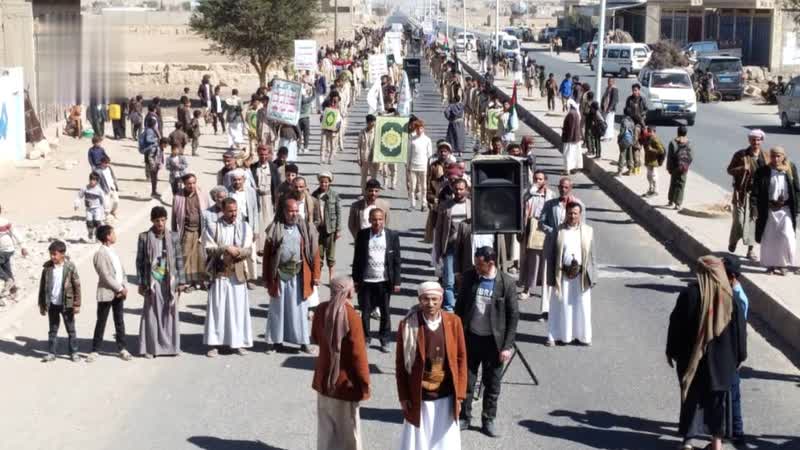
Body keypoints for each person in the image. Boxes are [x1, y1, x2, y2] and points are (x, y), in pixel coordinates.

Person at [666, 255, 747, 450]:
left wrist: (672, 351)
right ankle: (717, 444)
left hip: (692, 360)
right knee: (717, 403)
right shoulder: (730, 297)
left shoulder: (689, 294)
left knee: (691, 400)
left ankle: (688, 442)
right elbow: (740, 332)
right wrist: (739, 357)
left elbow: (676, 326)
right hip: (722, 364)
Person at [396, 281, 467, 450]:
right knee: (419, 441)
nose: (430, 303)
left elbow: (461, 359)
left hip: (446, 395)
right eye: (426, 299)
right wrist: (404, 397)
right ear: (419, 300)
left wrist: (460, 395)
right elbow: (400, 365)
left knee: (444, 442)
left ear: (441, 300)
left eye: (435, 299)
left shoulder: (454, 322)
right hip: (420, 396)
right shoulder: (408, 325)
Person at [456, 246, 518, 437]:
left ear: (491, 263)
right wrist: (456, 335)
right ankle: (464, 417)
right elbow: (460, 307)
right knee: (467, 382)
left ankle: (488, 420)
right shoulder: (470, 277)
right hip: (471, 338)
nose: (476, 267)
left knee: (492, 384)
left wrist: (507, 346)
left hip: (494, 343)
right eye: (475, 263)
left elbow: (513, 316)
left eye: (479, 264)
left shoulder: (506, 283)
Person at [311, 276, 370, 450]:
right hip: (345, 383)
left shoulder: (321, 309)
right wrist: (365, 383)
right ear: (349, 292)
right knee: (348, 432)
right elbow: (358, 355)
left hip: (324, 379)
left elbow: (315, 337)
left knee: (326, 430)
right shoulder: (351, 316)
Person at [262, 197, 321, 354]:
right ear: (284, 212)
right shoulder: (275, 229)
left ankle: (303, 342)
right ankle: (276, 342)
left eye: (296, 210)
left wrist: (316, 275)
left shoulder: (306, 228)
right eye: (290, 211)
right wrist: (266, 278)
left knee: (300, 311)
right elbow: (267, 256)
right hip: (279, 275)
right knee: (278, 310)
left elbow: (315, 253)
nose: (294, 214)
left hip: (299, 275)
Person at [203, 198, 255, 357]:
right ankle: (214, 344)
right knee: (218, 309)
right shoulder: (213, 227)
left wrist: (237, 252)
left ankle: (238, 343)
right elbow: (208, 248)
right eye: (230, 211)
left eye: (235, 210)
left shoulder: (244, 227)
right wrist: (225, 248)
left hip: (237, 274)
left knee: (237, 310)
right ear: (223, 210)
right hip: (220, 274)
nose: (233, 214)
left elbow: (248, 249)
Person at [136, 206, 186, 359]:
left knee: (169, 311)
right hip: (153, 279)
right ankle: (151, 348)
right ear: (152, 221)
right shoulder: (144, 237)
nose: (160, 223)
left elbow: (179, 259)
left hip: (169, 279)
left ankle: (171, 347)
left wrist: (181, 281)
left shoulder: (174, 236)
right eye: (157, 220)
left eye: (163, 220)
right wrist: (141, 282)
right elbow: (140, 261)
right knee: (151, 312)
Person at [546, 202, 596, 346]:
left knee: (582, 306)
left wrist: (593, 277)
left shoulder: (588, 231)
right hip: (563, 275)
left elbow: (592, 256)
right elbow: (552, 254)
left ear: (580, 215)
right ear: (566, 214)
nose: (572, 216)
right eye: (570, 213)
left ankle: (583, 337)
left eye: (575, 213)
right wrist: (551, 277)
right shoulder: (559, 231)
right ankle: (556, 336)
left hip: (581, 275)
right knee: (560, 306)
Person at [352, 208, 401, 353]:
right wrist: (355, 280)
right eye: (374, 219)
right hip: (366, 280)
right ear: (369, 220)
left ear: (384, 220)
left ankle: (384, 339)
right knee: (365, 311)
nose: (377, 222)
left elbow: (397, 260)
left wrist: (397, 281)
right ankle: (365, 338)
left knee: (385, 311)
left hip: (384, 280)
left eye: (380, 219)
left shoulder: (392, 236)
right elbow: (357, 259)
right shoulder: (362, 235)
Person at [751, 146, 799, 275]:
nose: (776, 159)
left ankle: (783, 265)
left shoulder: (790, 168)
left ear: (783, 156)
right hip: (768, 209)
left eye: (778, 156)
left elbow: (796, 189)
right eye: (773, 156)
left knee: (787, 237)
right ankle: (771, 265)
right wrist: (754, 208)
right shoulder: (763, 171)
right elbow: (755, 192)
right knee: (769, 238)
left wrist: (797, 208)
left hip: (786, 209)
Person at [87, 225, 132, 363]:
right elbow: (105, 276)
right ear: (107, 236)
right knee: (101, 321)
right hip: (107, 293)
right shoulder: (100, 254)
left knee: (119, 321)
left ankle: (122, 348)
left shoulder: (113, 252)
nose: (115, 235)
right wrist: (119, 288)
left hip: (119, 292)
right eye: (113, 233)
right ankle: (95, 350)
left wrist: (124, 286)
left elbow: (121, 271)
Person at [38, 240, 82, 363]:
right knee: (53, 329)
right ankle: (52, 353)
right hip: (52, 304)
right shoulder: (47, 268)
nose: (52, 257)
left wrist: (77, 304)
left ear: (62, 254)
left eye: (55, 254)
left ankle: (74, 352)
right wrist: (42, 304)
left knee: (71, 329)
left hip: (67, 304)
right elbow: (42, 287)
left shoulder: (70, 267)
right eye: (51, 254)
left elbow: (77, 286)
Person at [727, 129, 767, 260]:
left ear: (761, 141)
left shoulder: (765, 156)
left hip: (757, 196)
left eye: (758, 140)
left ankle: (750, 250)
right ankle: (734, 240)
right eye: (753, 140)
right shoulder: (741, 154)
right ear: (749, 140)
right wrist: (741, 169)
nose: (756, 142)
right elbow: (729, 170)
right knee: (738, 220)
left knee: (753, 222)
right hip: (742, 193)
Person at [433, 178, 472, 313]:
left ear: (466, 190)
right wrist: (438, 251)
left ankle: (463, 307)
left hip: (467, 248)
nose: (459, 191)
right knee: (448, 281)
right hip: (450, 247)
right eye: (456, 189)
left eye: (461, 189)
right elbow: (439, 229)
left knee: (466, 279)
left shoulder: (471, 206)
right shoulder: (445, 206)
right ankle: (449, 308)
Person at [722, 255, 748, 444]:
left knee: (732, 393)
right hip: (730, 350)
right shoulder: (732, 292)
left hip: (731, 351)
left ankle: (735, 432)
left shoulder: (738, 297)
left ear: (731, 277)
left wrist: (739, 356)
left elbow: (740, 330)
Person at [519, 170, 554, 300]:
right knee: (530, 260)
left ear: (545, 181)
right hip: (531, 228)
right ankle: (527, 288)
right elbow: (522, 206)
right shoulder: (529, 194)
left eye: (540, 179)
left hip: (544, 229)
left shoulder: (550, 195)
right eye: (535, 179)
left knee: (545, 261)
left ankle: (546, 290)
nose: (537, 181)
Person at [172, 174, 209, 290]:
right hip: (186, 231)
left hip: (200, 231)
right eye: (189, 184)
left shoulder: (202, 195)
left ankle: (200, 280)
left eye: (193, 183)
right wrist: (174, 234)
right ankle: (187, 281)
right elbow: (174, 218)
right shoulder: (178, 197)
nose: (192, 186)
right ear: (184, 184)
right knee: (186, 255)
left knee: (200, 256)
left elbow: (208, 213)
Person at [312, 172, 342, 283]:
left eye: (326, 182)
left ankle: (331, 277)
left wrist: (338, 229)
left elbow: (339, 212)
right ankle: (318, 276)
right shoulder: (314, 195)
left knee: (330, 255)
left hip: (331, 229)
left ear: (329, 182)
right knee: (318, 254)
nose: (323, 184)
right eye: (322, 182)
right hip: (319, 229)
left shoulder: (334, 195)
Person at [250, 145, 279, 252]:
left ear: (269, 155)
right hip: (257, 197)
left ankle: (269, 246)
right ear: (258, 154)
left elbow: (277, 184)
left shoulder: (273, 167)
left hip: (269, 197)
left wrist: (276, 201)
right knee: (258, 222)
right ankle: (259, 247)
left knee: (269, 221)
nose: (263, 157)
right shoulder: (253, 167)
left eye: (266, 154)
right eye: (261, 154)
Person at [0, 205, 28, 304]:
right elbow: (16, 233)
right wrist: (23, 246)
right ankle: (14, 290)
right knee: (6, 268)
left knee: (5, 271)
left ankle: (7, 280)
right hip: (9, 249)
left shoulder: (4, 222)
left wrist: (23, 246)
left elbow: (15, 233)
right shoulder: (6, 221)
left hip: (2, 250)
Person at [74, 173, 108, 243]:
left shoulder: (99, 190)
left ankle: (98, 236)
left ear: (97, 181)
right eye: (91, 180)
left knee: (97, 222)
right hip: (88, 209)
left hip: (97, 209)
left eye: (94, 180)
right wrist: (76, 204)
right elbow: (79, 196)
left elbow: (104, 199)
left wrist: (106, 209)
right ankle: (90, 232)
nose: (92, 181)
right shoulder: (85, 189)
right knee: (89, 223)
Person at [408, 120, 433, 211]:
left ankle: (424, 204)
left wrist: (429, 166)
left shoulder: (427, 140)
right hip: (413, 166)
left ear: (423, 129)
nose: (419, 130)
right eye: (417, 128)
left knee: (424, 187)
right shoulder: (412, 140)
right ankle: (412, 204)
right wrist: (408, 165)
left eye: (421, 128)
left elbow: (429, 155)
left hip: (423, 166)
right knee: (412, 187)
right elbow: (409, 153)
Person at [666, 126, 693, 209]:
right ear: (686, 133)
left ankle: (670, 200)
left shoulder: (673, 142)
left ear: (677, 132)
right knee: (681, 184)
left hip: (675, 166)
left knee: (673, 183)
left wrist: (669, 168)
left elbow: (670, 157)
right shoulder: (689, 143)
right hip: (684, 167)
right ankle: (678, 203)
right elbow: (691, 156)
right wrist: (686, 165)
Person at [640, 126, 666, 197]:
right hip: (648, 160)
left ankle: (655, 191)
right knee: (649, 176)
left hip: (654, 161)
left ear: (654, 132)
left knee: (654, 176)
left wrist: (652, 149)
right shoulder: (648, 138)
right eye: (648, 131)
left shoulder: (655, 139)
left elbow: (661, 151)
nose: (648, 133)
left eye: (650, 131)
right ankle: (650, 189)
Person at [561, 99, 583, 175]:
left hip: (570, 138)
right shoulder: (576, 113)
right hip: (576, 138)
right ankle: (574, 168)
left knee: (568, 154)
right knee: (575, 154)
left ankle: (567, 170)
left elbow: (571, 127)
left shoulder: (571, 114)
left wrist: (568, 137)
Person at [357, 114, 379, 192]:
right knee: (363, 177)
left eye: (374, 122)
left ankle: (373, 193)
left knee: (374, 177)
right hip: (364, 159)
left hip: (374, 159)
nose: (373, 124)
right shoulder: (362, 132)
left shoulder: (377, 132)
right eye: (372, 122)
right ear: (368, 122)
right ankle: (363, 192)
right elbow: (359, 146)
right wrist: (358, 158)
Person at [445, 92, 466, 158]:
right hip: (460, 122)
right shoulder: (461, 105)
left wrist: (449, 118)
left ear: (454, 99)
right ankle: (460, 151)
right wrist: (463, 92)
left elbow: (446, 111)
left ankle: (452, 150)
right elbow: (465, 99)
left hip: (453, 121)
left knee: (452, 136)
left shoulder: (451, 106)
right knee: (460, 137)